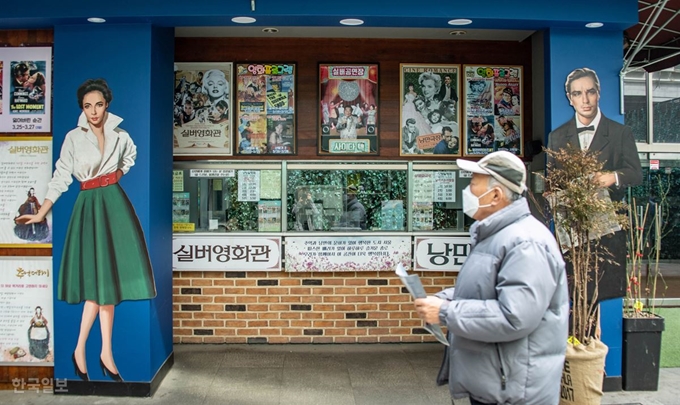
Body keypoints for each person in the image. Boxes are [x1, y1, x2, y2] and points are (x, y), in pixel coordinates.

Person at [16, 78, 157, 382]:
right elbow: (61, 176)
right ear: (82, 108)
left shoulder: (120, 136)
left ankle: (102, 351)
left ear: (108, 104)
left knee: (108, 283)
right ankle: (85, 349)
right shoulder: (73, 138)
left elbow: (130, 157)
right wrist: (41, 211)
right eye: (87, 106)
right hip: (89, 205)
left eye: (99, 105)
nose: (93, 111)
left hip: (115, 204)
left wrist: (117, 172)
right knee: (99, 283)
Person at [414, 151, 568, 405]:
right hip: (497, 384)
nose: (468, 190)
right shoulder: (496, 236)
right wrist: (444, 299)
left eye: (474, 183)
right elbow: (488, 290)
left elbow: (514, 316)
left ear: (495, 195)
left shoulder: (525, 243)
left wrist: (447, 312)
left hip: (515, 392)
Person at [547, 67, 642, 302]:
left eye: (590, 92)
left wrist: (613, 177)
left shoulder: (621, 133)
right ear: (570, 98)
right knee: (573, 289)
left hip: (608, 226)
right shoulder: (557, 136)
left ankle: (594, 335)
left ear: (599, 93)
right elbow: (552, 181)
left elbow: (636, 174)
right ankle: (577, 337)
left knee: (601, 289)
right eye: (578, 93)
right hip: (572, 227)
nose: (585, 100)